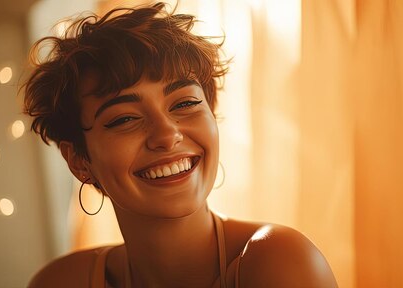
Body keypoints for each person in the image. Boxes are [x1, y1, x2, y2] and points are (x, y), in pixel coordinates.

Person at [24, 2, 337, 287]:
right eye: (124, 119)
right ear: (80, 161)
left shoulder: (280, 263)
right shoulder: (60, 282)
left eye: (185, 103)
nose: (166, 134)